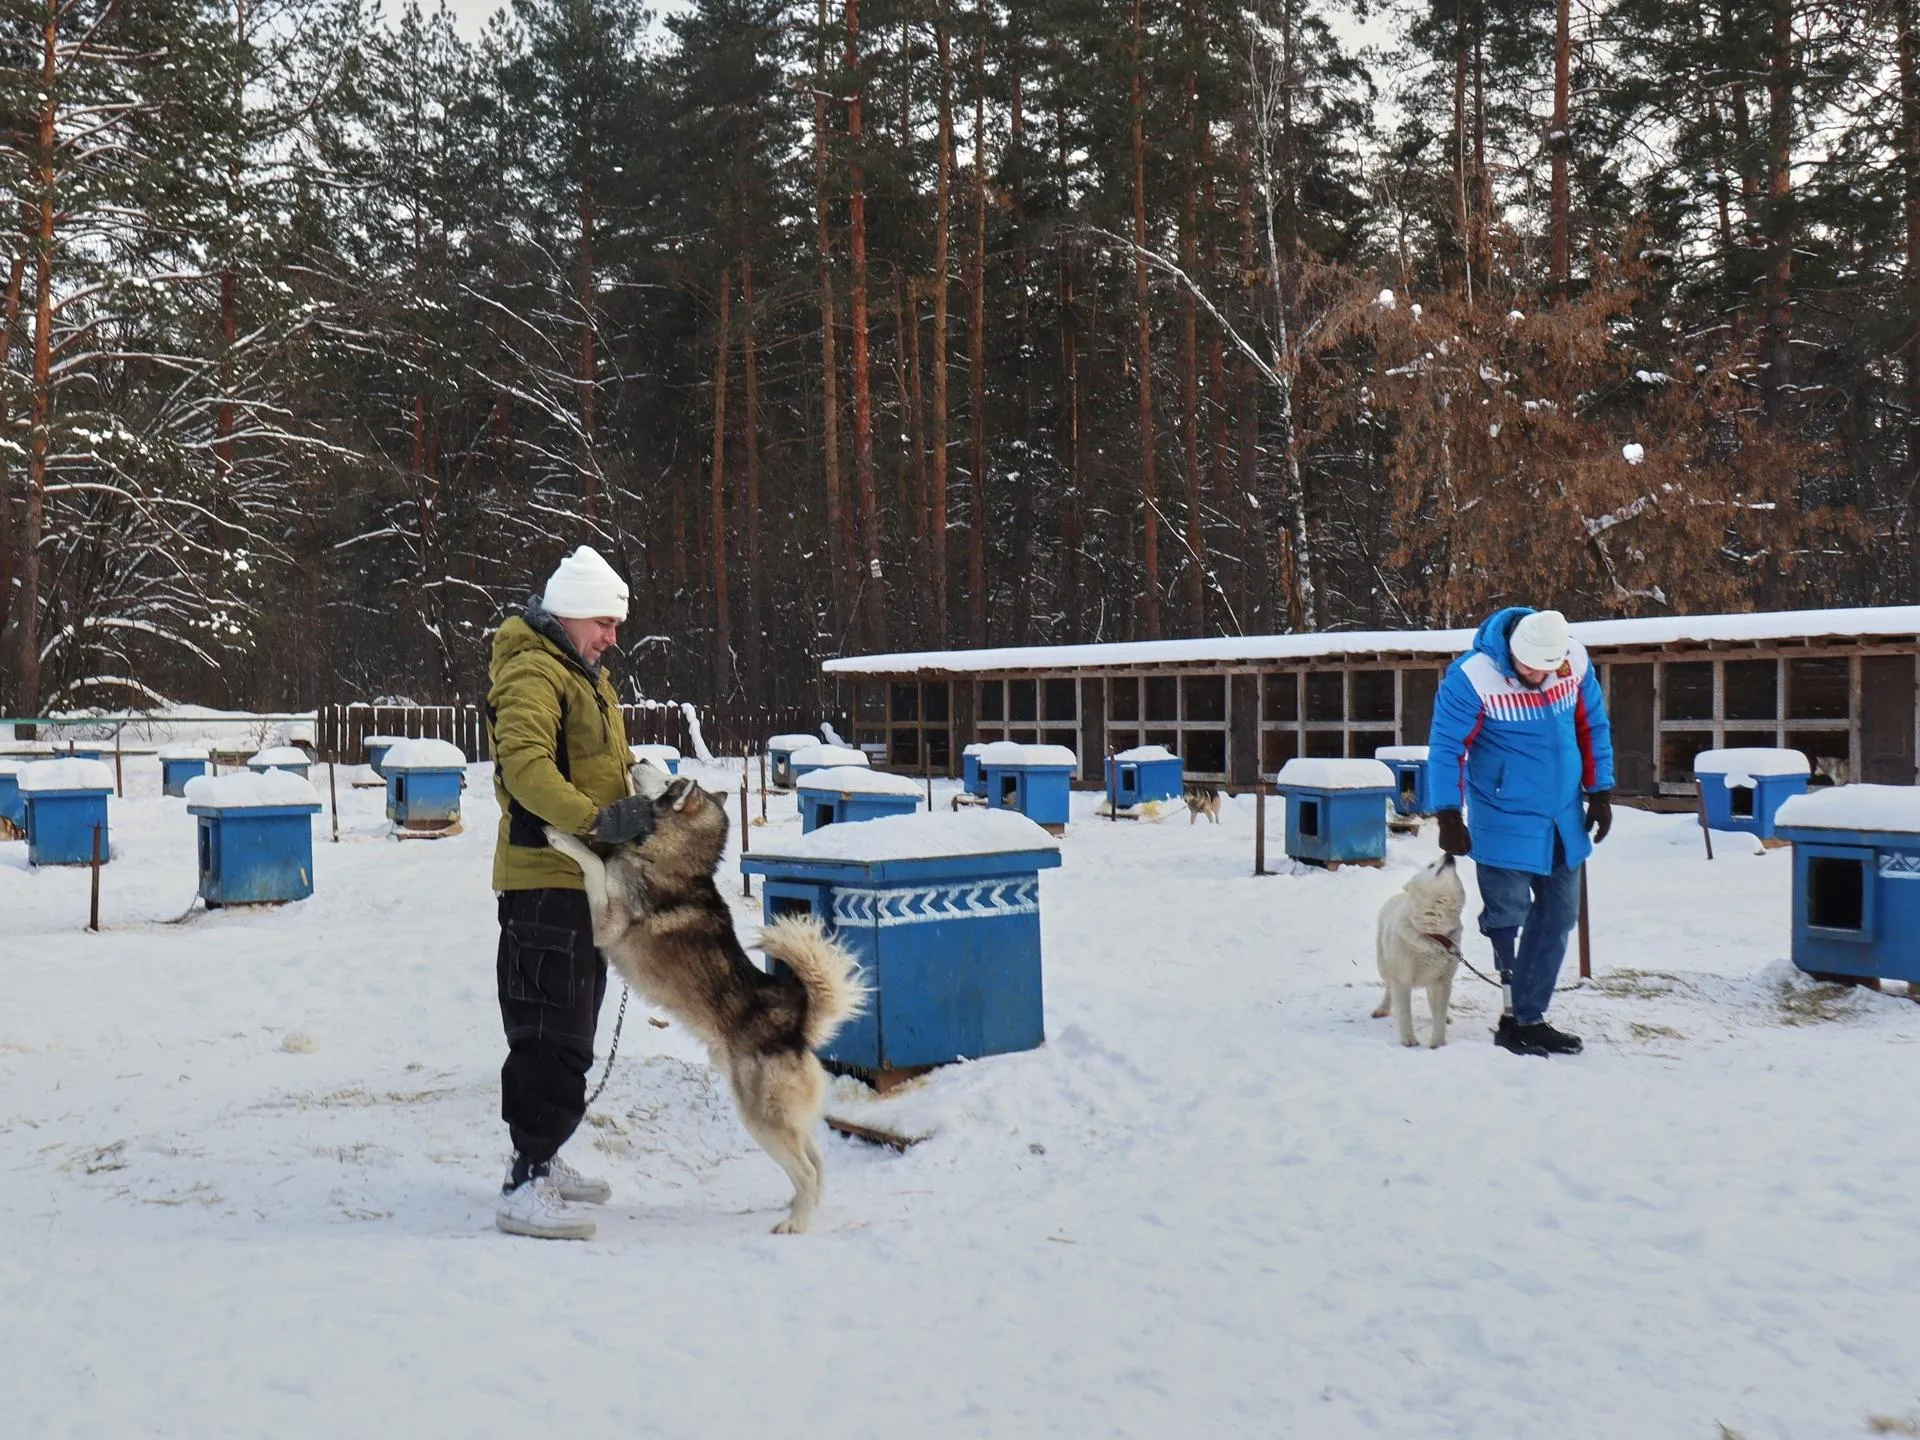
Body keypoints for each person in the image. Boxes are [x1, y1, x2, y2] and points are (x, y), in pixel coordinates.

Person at [485, 546, 656, 1239]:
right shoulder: (533, 669)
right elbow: (523, 768)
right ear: (571, 612)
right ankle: (525, 1182)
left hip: (581, 878)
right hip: (545, 879)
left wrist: (636, 782)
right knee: (548, 1031)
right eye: (605, 622)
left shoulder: (582, 675)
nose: (613, 637)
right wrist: (597, 819)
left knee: (571, 1031)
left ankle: (543, 1158)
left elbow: (586, 764)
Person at [1426, 607, 1615, 1058]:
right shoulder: (1472, 677)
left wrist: (1601, 789)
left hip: (1562, 819)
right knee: (1508, 917)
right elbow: (1447, 747)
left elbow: (1592, 726)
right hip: (1503, 817)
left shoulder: (1573, 664)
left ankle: (1531, 1015)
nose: (1536, 674)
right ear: (1512, 650)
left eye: (1545, 667)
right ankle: (1513, 1017)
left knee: (1560, 916)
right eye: (1528, 666)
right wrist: (1448, 814)